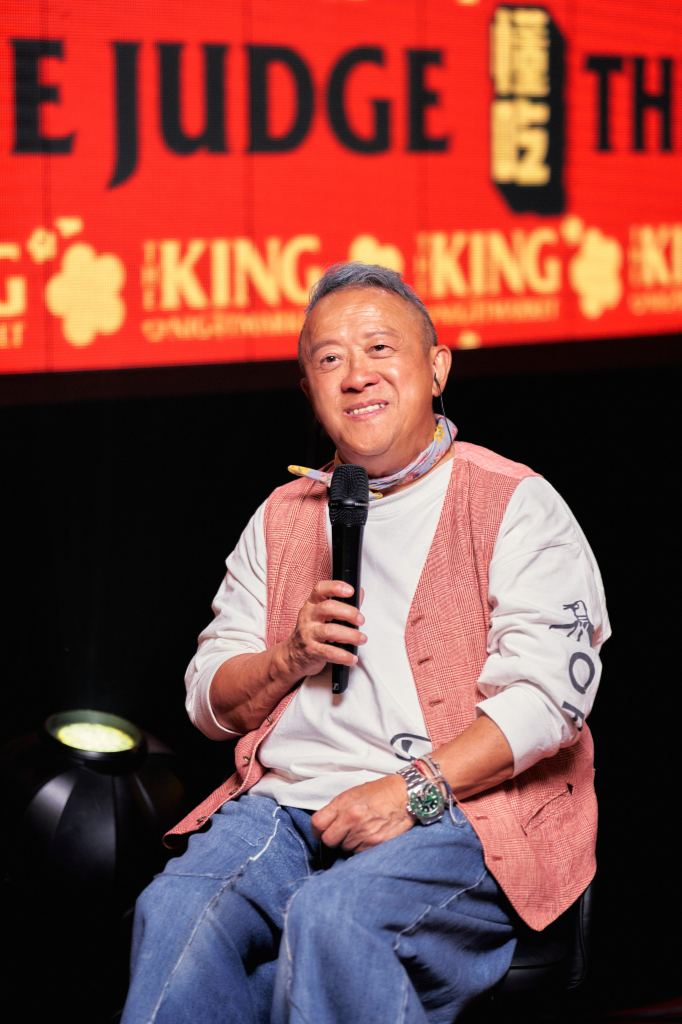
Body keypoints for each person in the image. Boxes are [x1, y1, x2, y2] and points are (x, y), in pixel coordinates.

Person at [121, 263, 609, 1024]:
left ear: (437, 368)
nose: (356, 376)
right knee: (175, 910)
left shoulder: (515, 501)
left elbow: (550, 703)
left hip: (460, 808)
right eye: (330, 359)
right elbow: (207, 701)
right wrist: (287, 657)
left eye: (381, 348)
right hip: (286, 809)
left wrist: (408, 792)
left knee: (335, 919)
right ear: (311, 393)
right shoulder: (283, 515)